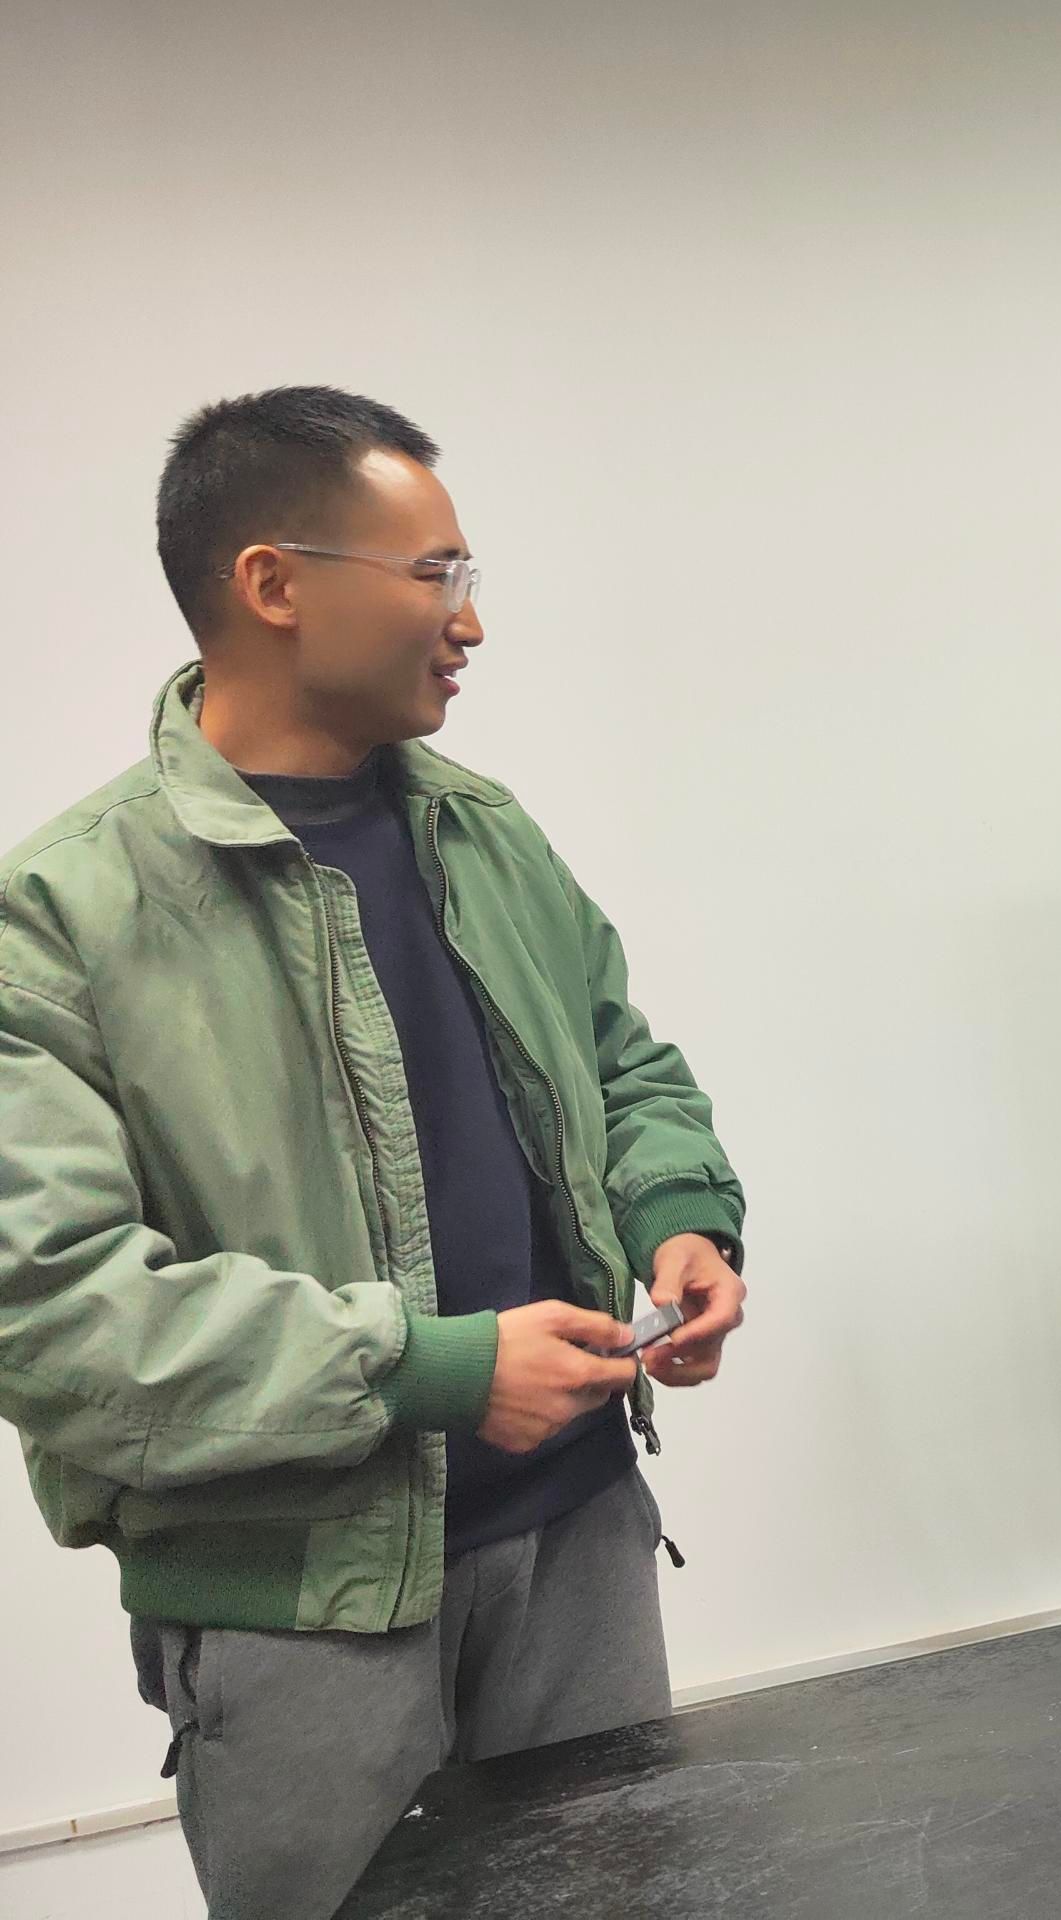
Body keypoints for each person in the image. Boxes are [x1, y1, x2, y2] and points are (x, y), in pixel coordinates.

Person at [0, 386, 749, 1919]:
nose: (470, 622)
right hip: (302, 1618)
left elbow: (620, 1059)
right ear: (274, 583)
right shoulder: (65, 916)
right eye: (435, 575)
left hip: (580, 1552)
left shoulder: (484, 831)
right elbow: (53, 1310)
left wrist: (679, 1218)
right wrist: (431, 1368)